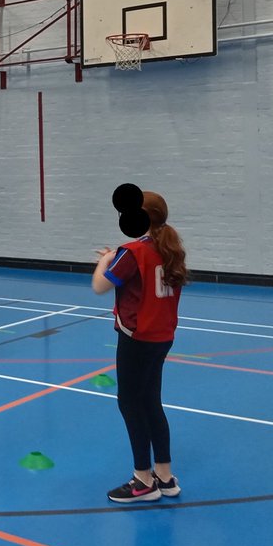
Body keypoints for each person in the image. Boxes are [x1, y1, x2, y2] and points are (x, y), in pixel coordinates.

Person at [92, 188, 188, 504]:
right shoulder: (169, 247)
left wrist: (106, 259)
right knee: (151, 402)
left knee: (130, 404)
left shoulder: (132, 252)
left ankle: (143, 480)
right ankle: (165, 476)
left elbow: (100, 286)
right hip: (162, 336)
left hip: (137, 338)